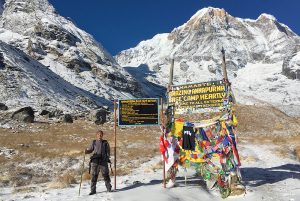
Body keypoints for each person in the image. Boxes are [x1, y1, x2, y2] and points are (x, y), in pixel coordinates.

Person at [85, 130, 112, 195]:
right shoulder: (94, 142)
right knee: (94, 176)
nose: (100, 136)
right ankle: (93, 190)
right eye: (98, 134)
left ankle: (109, 188)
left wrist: (107, 158)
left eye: (101, 134)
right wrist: (86, 151)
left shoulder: (105, 142)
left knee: (106, 175)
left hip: (103, 161)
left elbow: (108, 152)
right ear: (96, 135)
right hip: (95, 162)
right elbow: (91, 150)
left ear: (102, 135)